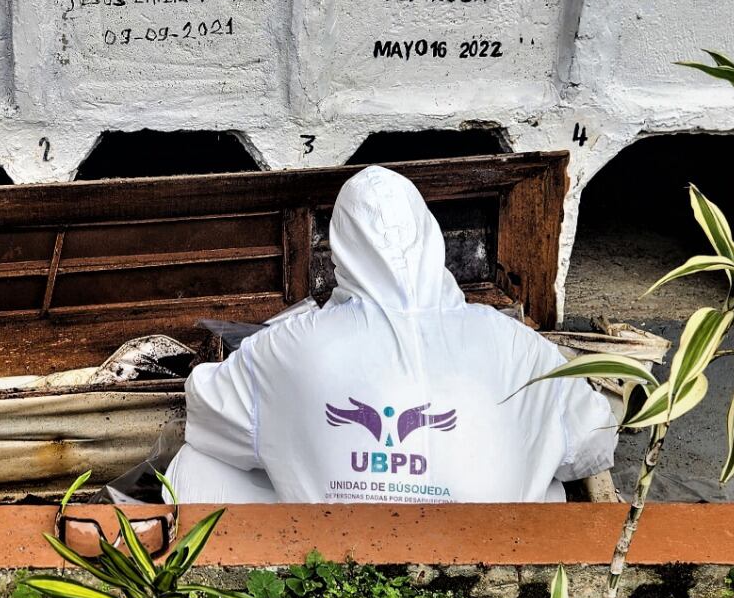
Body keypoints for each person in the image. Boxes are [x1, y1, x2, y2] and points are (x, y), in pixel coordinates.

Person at [166, 165, 618, 504]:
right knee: (551, 475)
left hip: (337, 556)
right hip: (485, 553)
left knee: (198, 463)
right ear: (431, 237)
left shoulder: (288, 344)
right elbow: (593, 438)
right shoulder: (517, 345)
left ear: (339, 249)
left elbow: (206, 413)